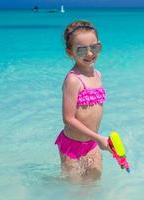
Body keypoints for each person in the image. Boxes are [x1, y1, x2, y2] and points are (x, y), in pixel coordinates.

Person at [55, 20, 111, 182]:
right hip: (72, 145)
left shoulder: (98, 75)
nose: (89, 54)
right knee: (74, 188)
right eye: (81, 50)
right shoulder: (73, 80)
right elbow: (68, 118)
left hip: (92, 144)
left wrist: (96, 139)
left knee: (94, 182)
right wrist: (98, 137)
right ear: (70, 52)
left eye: (94, 47)